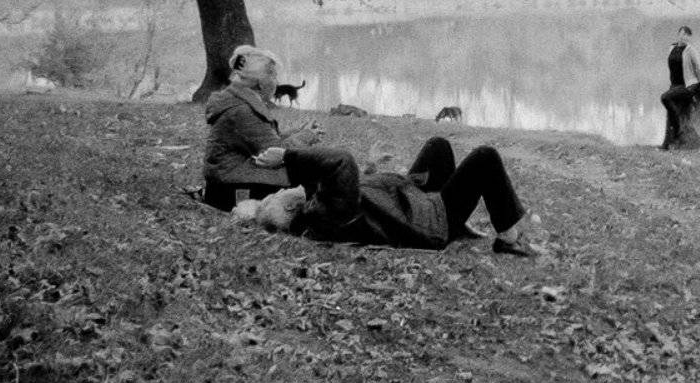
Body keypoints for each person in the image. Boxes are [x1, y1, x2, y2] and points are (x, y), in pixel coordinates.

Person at [245, 135, 540, 256]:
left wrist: (374, 169)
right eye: (281, 194)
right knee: (485, 157)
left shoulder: (319, 207)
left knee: (437, 145)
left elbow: (343, 181)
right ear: (292, 207)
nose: (283, 189)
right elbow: (341, 161)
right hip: (432, 224)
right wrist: (287, 155)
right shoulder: (328, 212)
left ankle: (462, 226)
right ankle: (508, 239)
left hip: (409, 204)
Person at [201, 45, 323, 211]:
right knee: (317, 178)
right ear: (260, 82)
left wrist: (298, 131)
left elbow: (264, 140)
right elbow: (274, 153)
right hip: (233, 189)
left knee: (311, 175)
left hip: (229, 180)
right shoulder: (242, 110)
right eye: (273, 75)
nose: (276, 82)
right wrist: (306, 136)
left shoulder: (238, 102)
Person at [659, 25, 700, 148]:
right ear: (678, 34)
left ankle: (678, 127)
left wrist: (696, 82)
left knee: (664, 98)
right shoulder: (672, 48)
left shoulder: (690, 50)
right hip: (674, 85)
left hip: (687, 86)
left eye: (688, 36)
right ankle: (666, 145)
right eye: (683, 34)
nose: (685, 37)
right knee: (669, 113)